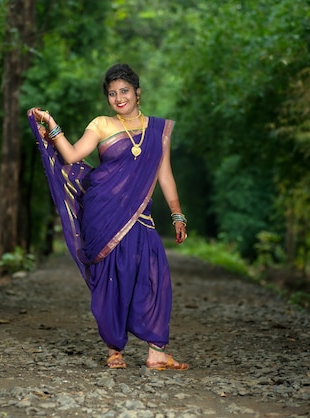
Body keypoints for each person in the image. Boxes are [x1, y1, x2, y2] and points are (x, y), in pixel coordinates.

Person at [28, 63, 189, 371]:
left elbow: (165, 175)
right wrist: (51, 124)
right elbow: (73, 155)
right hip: (102, 211)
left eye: (124, 91)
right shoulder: (101, 124)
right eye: (112, 93)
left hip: (141, 215)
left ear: (138, 93)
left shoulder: (158, 131)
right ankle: (114, 349)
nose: (119, 98)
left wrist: (177, 213)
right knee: (111, 278)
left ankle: (156, 351)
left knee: (155, 273)